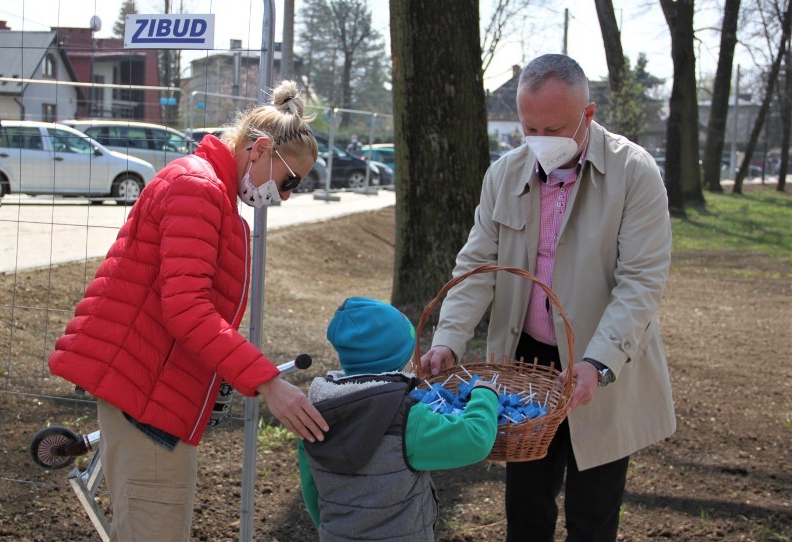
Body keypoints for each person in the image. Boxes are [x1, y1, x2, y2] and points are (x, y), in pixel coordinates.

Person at [49, 80, 329, 542]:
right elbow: (185, 309)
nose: (284, 196)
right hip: (147, 404)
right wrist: (268, 383)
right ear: (259, 150)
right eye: (289, 181)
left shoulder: (206, 190)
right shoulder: (197, 189)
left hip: (152, 398)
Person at [420, 54, 675, 541]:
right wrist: (449, 339)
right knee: (526, 508)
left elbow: (641, 281)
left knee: (593, 513)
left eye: (554, 128)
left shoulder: (633, 173)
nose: (540, 141)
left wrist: (598, 363)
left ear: (589, 115)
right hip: (525, 369)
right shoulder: (505, 175)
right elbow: (476, 268)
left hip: (599, 365)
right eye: (528, 127)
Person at [299, 297, 500, 541]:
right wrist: (484, 395)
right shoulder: (408, 418)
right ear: (397, 362)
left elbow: (312, 492)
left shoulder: (313, 415)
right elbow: (476, 439)